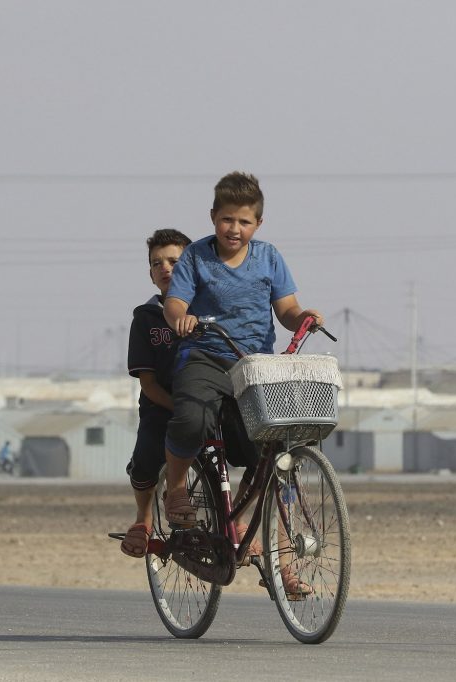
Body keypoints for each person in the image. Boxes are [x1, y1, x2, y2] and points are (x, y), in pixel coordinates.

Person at [161, 171, 322, 594]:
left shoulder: (269, 258)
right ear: (214, 217)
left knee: (274, 460)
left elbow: (286, 308)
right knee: (193, 418)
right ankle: (176, 489)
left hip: (255, 366)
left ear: (258, 225)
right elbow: (175, 300)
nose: (235, 229)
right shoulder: (196, 257)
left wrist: (301, 318)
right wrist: (181, 317)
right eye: (227, 219)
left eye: (244, 221)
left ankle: (284, 569)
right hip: (206, 355)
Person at [120, 228, 192, 558]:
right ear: (151, 275)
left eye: (175, 261)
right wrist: (178, 406)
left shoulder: (210, 314)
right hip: (161, 405)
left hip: (206, 403)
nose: (165, 268)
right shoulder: (146, 319)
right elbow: (147, 383)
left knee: (252, 451)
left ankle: (237, 524)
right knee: (147, 455)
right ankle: (143, 519)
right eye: (156, 263)